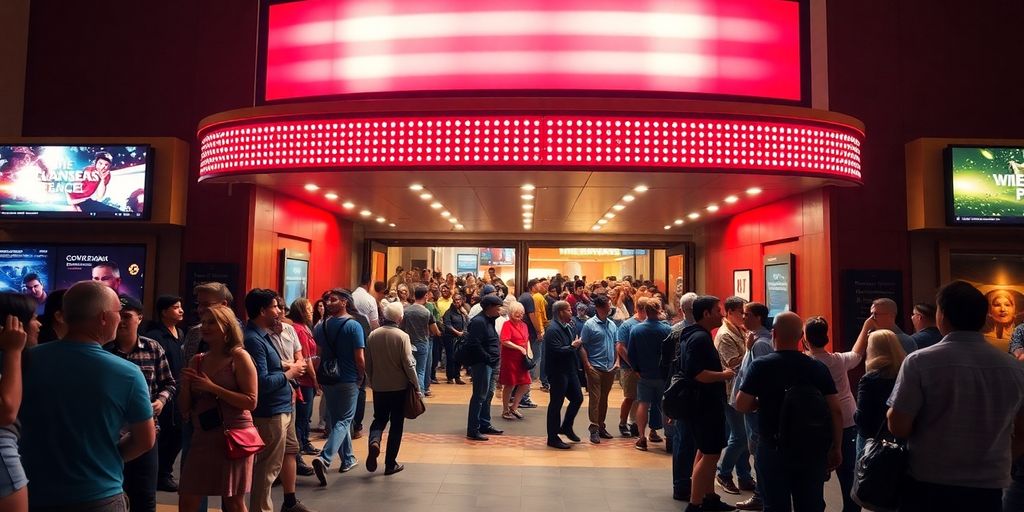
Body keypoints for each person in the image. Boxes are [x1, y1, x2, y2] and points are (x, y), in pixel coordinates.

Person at [887, 281, 1024, 512]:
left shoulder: (920, 362)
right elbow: (1021, 432)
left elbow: (898, 425)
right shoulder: (1013, 368)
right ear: (983, 318)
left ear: (943, 316)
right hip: (988, 486)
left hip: (929, 482)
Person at [20, 281, 156, 511]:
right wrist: (104, 457)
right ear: (104, 318)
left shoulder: (25, 361)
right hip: (99, 493)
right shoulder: (127, 373)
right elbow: (145, 440)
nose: (120, 320)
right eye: (117, 313)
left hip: (33, 492)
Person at [735, 311, 842, 512]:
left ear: (774, 334)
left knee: (775, 505)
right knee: (811, 504)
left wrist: (760, 403)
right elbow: (835, 410)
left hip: (772, 446)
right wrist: (836, 447)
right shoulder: (817, 367)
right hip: (811, 448)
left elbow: (741, 404)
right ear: (801, 337)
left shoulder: (762, 365)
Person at [177, 305, 258, 512]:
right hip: (202, 435)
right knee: (187, 497)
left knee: (233, 501)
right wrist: (185, 386)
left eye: (212, 322)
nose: (205, 326)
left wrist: (213, 388)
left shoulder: (239, 357)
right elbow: (184, 409)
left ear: (227, 327)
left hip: (232, 435)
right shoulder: (198, 360)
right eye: (203, 322)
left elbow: (251, 401)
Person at [102, 295, 176, 512]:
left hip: (146, 433)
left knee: (145, 498)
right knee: (110, 495)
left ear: (139, 318)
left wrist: (161, 401)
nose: (122, 321)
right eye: (119, 316)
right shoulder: (104, 350)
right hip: (110, 435)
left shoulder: (153, 348)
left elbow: (169, 383)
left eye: (128, 316)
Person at [242, 289, 313, 512]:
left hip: (283, 406)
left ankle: (288, 502)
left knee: (282, 458)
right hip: (270, 411)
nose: (279, 311)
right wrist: (290, 374)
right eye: (274, 307)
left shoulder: (262, 335)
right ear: (262, 311)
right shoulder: (254, 339)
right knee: (267, 469)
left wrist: (287, 366)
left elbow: (270, 366)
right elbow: (261, 382)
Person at [676, 295, 736, 512]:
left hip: (701, 404)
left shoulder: (692, 334)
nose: (721, 314)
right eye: (717, 310)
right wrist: (725, 374)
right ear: (706, 314)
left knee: (705, 451)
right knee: (710, 454)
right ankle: (695, 503)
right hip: (705, 405)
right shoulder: (700, 338)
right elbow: (698, 374)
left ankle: (708, 497)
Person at [803, 316, 867, 512]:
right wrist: (865, 327)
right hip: (847, 419)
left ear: (805, 339)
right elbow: (857, 353)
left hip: (816, 423)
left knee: (814, 475)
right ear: (826, 337)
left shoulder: (805, 363)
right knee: (848, 472)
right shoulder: (838, 360)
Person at [180, 281, 233, 512]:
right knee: (192, 484)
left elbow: (250, 393)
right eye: (198, 305)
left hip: (230, 422)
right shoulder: (193, 333)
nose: (200, 310)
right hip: (197, 420)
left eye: (206, 304)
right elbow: (187, 374)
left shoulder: (239, 338)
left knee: (231, 491)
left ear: (223, 305)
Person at [310, 289, 364, 486]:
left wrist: (317, 378)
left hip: (328, 378)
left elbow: (319, 354)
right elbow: (359, 357)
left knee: (337, 420)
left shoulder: (320, 326)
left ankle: (348, 458)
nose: (329, 302)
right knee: (345, 420)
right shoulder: (353, 326)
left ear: (344, 301)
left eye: (333, 299)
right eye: (328, 300)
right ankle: (325, 458)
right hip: (348, 378)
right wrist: (362, 375)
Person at [364, 302, 420, 475]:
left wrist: (372, 381)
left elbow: (368, 362)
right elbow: (408, 364)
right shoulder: (402, 336)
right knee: (397, 424)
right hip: (399, 387)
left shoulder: (373, 335)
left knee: (379, 419)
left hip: (379, 386)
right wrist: (417, 386)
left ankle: (375, 440)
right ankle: (390, 464)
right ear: (400, 318)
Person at [269, 295, 315, 482]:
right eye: (276, 307)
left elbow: (300, 356)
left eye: (281, 307)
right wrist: (290, 367)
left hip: (292, 387)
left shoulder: (290, 330)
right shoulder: (260, 336)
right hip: (277, 390)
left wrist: (294, 365)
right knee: (278, 437)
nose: (280, 311)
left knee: (292, 435)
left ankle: (289, 494)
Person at [0, 293, 39, 512]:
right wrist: (13, 350)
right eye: (33, 318)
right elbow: (6, 411)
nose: (38, 324)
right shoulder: (9, 357)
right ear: (13, 324)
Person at [733, 301, 773, 511]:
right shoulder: (754, 341)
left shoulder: (761, 343)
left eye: (746, 314)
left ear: (758, 317)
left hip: (755, 409)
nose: (743, 317)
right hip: (752, 407)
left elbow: (762, 377)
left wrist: (754, 402)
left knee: (759, 452)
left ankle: (761, 496)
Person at [144, 295, 186, 492]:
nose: (181, 310)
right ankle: (160, 474)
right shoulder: (155, 336)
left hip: (179, 388)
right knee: (165, 432)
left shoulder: (181, 333)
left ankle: (165, 471)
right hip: (162, 390)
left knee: (178, 432)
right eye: (176, 307)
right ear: (163, 312)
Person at [713, 296, 752, 496]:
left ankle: (745, 476)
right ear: (729, 312)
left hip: (741, 389)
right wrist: (751, 348)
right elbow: (732, 362)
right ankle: (724, 472)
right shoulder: (725, 334)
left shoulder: (740, 331)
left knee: (743, 435)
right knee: (739, 436)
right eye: (740, 313)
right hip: (731, 391)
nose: (744, 317)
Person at [626, 298, 671, 452]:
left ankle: (641, 437)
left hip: (644, 374)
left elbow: (631, 353)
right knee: (664, 406)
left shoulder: (636, 330)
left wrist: (637, 370)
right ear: (659, 310)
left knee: (643, 404)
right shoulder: (667, 329)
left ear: (645, 310)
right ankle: (669, 438)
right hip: (663, 375)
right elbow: (671, 353)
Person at [853, 330, 905, 455]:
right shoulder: (904, 375)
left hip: (873, 441)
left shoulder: (869, 379)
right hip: (899, 438)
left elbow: (862, 419)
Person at [464, 295, 505, 441]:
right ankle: (473, 429)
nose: (500, 310)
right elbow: (474, 344)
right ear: (489, 307)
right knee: (479, 395)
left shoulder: (489, 320)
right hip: (482, 363)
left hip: (491, 363)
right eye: (497, 307)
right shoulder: (479, 321)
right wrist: (487, 358)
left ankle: (484, 424)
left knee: (488, 394)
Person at [580, 294, 619, 444]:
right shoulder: (589, 325)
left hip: (609, 368)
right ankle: (594, 428)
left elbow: (617, 344)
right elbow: (582, 346)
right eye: (608, 306)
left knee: (604, 399)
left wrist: (617, 361)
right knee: (595, 399)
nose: (610, 308)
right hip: (595, 367)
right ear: (599, 308)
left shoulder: (612, 324)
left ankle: (601, 425)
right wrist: (587, 365)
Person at [286, 299, 320, 456]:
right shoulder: (299, 330)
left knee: (306, 415)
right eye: (308, 309)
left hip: (306, 378)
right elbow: (306, 358)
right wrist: (315, 381)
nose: (311, 311)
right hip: (304, 379)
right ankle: (300, 444)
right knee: (303, 415)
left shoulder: (304, 328)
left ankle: (305, 441)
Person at [615, 296, 648, 438]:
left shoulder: (650, 323)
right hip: (629, 368)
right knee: (630, 397)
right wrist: (633, 364)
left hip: (644, 367)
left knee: (642, 398)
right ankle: (622, 423)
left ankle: (634, 422)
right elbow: (620, 347)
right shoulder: (627, 325)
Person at [402, 284, 440, 397]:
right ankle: (420, 393)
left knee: (409, 369)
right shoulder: (426, 312)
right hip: (423, 342)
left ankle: (409, 394)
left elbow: (402, 326)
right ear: (426, 295)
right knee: (421, 370)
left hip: (409, 343)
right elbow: (435, 330)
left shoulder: (406, 310)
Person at [499, 301, 533, 420]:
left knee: (525, 384)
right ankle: (505, 410)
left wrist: (528, 351)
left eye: (521, 313)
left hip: (522, 359)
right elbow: (504, 340)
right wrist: (518, 347)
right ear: (510, 313)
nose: (519, 315)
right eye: (516, 313)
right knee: (510, 384)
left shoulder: (524, 325)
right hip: (510, 359)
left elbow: (527, 339)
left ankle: (514, 407)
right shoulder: (507, 325)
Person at [441, 294, 468, 385]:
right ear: (453, 301)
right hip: (450, 338)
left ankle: (457, 376)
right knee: (451, 357)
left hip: (460, 338)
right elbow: (447, 325)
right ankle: (450, 377)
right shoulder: (448, 312)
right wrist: (457, 332)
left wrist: (465, 314)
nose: (457, 301)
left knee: (459, 357)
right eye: (455, 300)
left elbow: (467, 322)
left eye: (459, 299)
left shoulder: (461, 311)